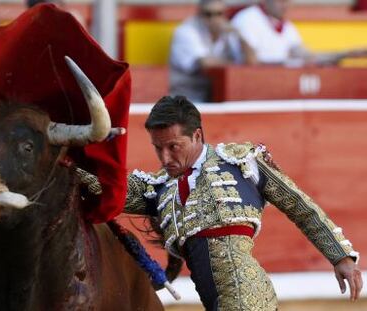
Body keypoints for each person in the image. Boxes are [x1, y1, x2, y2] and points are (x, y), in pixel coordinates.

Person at [123, 95, 363, 310]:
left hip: (249, 298)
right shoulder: (159, 187)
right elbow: (105, 188)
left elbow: (299, 206)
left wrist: (341, 256)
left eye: (174, 147)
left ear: (196, 135)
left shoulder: (240, 163)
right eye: (158, 148)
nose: (165, 158)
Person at [231, 0, 367, 66]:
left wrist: (345, 54)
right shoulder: (248, 19)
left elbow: (306, 56)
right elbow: (251, 63)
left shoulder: (288, 27)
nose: (285, 5)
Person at [169, 0, 253, 103]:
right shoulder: (186, 31)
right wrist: (237, 64)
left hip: (219, 98)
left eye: (219, 14)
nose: (214, 19)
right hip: (186, 99)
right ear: (199, 14)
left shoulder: (228, 31)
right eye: (208, 14)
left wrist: (239, 35)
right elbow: (206, 63)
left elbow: (251, 62)